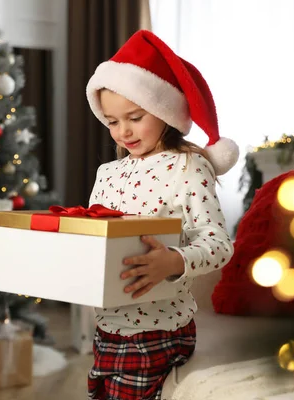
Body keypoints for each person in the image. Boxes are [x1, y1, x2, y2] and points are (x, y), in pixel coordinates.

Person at [84, 30, 239, 400]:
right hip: (107, 327)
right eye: (111, 121)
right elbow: (94, 237)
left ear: (165, 111)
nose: (123, 131)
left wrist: (173, 261)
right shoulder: (108, 173)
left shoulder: (188, 166)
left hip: (161, 330)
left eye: (135, 117)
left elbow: (219, 244)